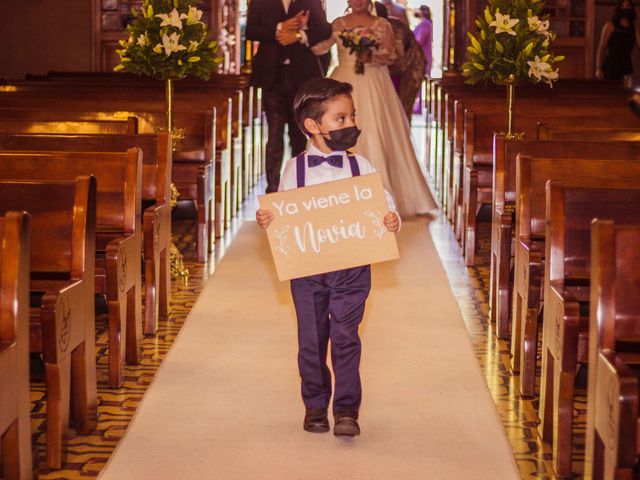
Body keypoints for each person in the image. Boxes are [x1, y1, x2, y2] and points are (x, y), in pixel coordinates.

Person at [256, 78, 400, 436]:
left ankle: (348, 409)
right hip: (308, 271)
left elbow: (382, 202)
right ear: (312, 126)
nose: (350, 124)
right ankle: (315, 405)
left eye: (352, 117)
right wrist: (268, 219)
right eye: (340, 119)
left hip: (352, 268)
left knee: (346, 336)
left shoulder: (361, 166)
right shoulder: (295, 170)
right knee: (312, 339)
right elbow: (283, 214)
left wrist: (390, 217)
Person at [311, 0, 437, 218]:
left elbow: (392, 56)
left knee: (377, 131)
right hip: (344, 79)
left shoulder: (382, 24)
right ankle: (338, 196)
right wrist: (305, 34)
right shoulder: (338, 23)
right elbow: (320, 47)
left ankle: (383, 198)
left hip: (375, 81)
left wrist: (372, 56)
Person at [246, 0, 333, 193]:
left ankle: (298, 187)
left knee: (299, 134)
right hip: (272, 76)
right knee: (274, 133)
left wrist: (299, 35)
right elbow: (251, 30)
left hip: (301, 76)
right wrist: (279, 28)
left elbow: (325, 29)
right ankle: (272, 188)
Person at [374, 2, 427, 121]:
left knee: (397, 109)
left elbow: (406, 52)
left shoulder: (399, 27)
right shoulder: (371, 28)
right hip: (386, 71)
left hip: (403, 71)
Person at [596, 0, 640, 80]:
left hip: (627, 66)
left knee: (626, 90)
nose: (625, 8)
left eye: (627, 6)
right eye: (622, 6)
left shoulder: (634, 29)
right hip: (612, 65)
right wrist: (598, 68)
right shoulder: (610, 26)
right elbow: (602, 48)